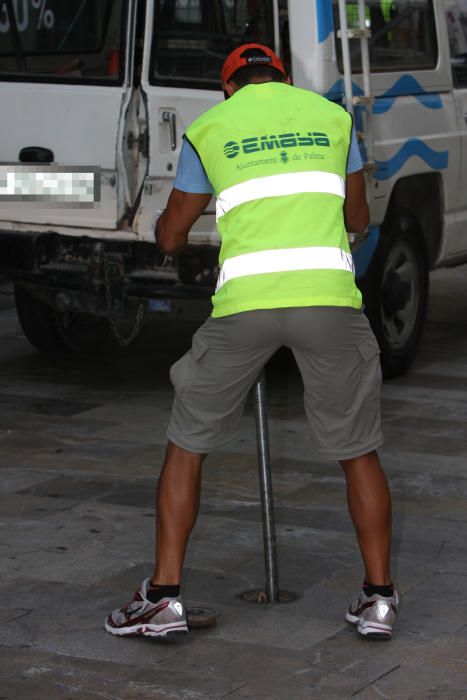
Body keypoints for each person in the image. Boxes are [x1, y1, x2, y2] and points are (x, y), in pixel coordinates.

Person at [105, 43, 398, 641]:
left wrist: (172, 219)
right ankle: (379, 600)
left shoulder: (210, 129)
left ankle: (162, 598)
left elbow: (170, 239)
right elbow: (359, 218)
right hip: (328, 303)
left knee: (186, 442)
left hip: (244, 308)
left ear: (228, 88)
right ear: (284, 81)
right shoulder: (334, 118)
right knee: (357, 449)